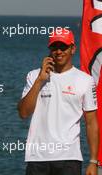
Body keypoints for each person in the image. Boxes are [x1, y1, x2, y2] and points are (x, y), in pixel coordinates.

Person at [18, 28, 99, 175]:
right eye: (55, 47)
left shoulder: (85, 80)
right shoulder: (34, 75)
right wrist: (40, 81)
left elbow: (91, 122)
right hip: (37, 158)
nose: (59, 51)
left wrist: (93, 161)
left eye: (63, 47)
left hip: (69, 158)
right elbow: (23, 113)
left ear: (72, 49)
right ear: (49, 49)